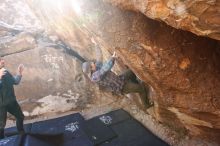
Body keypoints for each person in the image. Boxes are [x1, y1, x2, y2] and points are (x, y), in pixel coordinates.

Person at [82, 38, 153, 109]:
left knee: (131, 71)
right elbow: (104, 69)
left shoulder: (95, 67)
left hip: (120, 79)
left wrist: (96, 44)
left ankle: (134, 82)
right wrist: (112, 58)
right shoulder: (94, 77)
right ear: (91, 69)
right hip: (121, 87)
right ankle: (146, 105)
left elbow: (99, 57)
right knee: (141, 88)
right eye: (92, 64)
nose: (93, 63)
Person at [0, 57, 25, 139]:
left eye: (2, 59)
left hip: (11, 101)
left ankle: (21, 133)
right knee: (1, 125)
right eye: (0, 60)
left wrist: (19, 73)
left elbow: (15, 81)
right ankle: (2, 140)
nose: (2, 61)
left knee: (20, 116)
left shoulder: (5, 72)